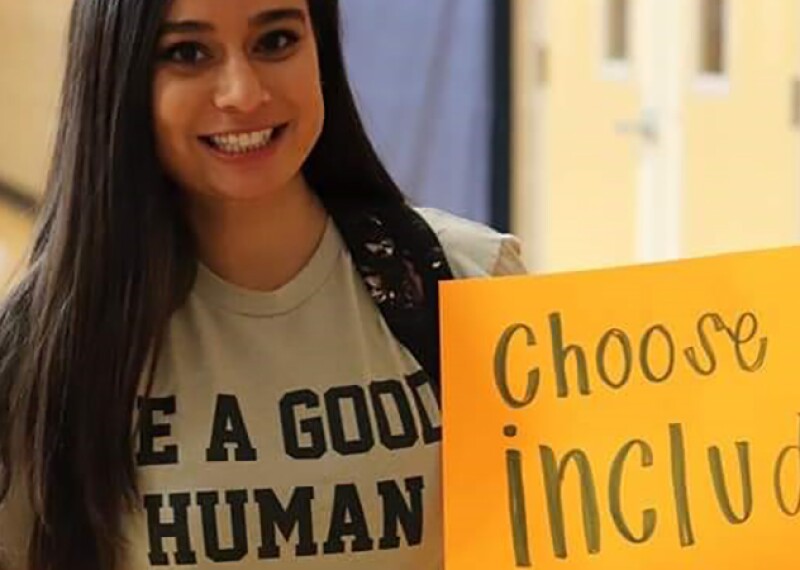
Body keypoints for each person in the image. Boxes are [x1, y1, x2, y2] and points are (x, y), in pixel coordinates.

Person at [0, 0, 526, 568]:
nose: (244, 93)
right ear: (118, 75)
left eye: (275, 41)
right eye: (188, 53)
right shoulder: (39, 353)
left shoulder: (473, 282)